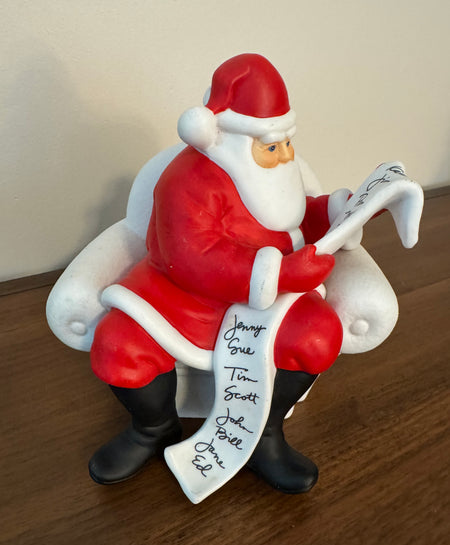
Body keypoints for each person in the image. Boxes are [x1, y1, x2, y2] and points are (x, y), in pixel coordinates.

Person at [89, 53, 344, 494]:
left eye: (287, 143)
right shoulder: (185, 180)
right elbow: (193, 257)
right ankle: (152, 429)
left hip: (269, 300)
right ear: (230, 137)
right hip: (183, 296)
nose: (286, 156)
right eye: (272, 147)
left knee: (318, 336)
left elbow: (291, 215)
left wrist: (341, 212)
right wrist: (282, 274)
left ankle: (264, 435)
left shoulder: (277, 169)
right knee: (119, 343)